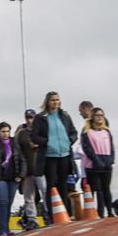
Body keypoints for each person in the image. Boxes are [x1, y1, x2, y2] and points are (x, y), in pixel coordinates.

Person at [31, 91, 78, 223]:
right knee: (51, 186)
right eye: (52, 100)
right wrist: (46, 142)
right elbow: (34, 136)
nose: (55, 102)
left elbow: (74, 132)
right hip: (49, 156)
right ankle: (52, 216)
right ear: (47, 102)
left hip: (64, 154)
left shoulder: (65, 116)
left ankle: (65, 214)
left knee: (64, 185)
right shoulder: (40, 118)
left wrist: (70, 140)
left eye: (57, 100)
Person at [0, 122, 26, 236]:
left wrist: (21, 175)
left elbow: (22, 160)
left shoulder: (14, 143)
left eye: (7, 131)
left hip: (13, 178)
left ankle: (6, 229)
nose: (5, 134)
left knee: (8, 204)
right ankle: (2, 230)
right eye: (3, 131)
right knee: (2, 202)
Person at [14, 109, 46, 229]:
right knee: (29, 196)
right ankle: (32, 219)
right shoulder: (21, 133)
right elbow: (17, 151)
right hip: (27, 169)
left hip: (40, 168)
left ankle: (48, 216)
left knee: (44, 191)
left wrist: (39, 145)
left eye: (31, 117)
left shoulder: (41, 131)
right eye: (27, 117)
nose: (29, 120)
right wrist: (19, 171)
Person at [82, 107, 115, 218]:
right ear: (92, 117)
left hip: (106, 163)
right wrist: (96, 160)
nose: (100, 117)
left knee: (106, 188)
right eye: (97, 115)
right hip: (93, 165)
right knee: (98, 189)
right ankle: (98, 213)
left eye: (102, 115)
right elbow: (87, 149)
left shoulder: (107, 132)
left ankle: (109, 211)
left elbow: (112, 148)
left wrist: (110, 160)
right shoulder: (87, 133)